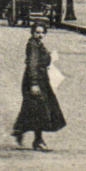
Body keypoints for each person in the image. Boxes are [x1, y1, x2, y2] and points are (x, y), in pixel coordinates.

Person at [10, 21, 66, 151]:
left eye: (42, 33)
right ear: (32, 32)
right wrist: (34, 84)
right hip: (35, 80)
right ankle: (37, 140)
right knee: (40, 110)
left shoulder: (38, 44)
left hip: (40, 80)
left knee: (33, 109)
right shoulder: (33, 46)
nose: (40, 35)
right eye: (37, 32)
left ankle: (21, 130)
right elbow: (32, 65)